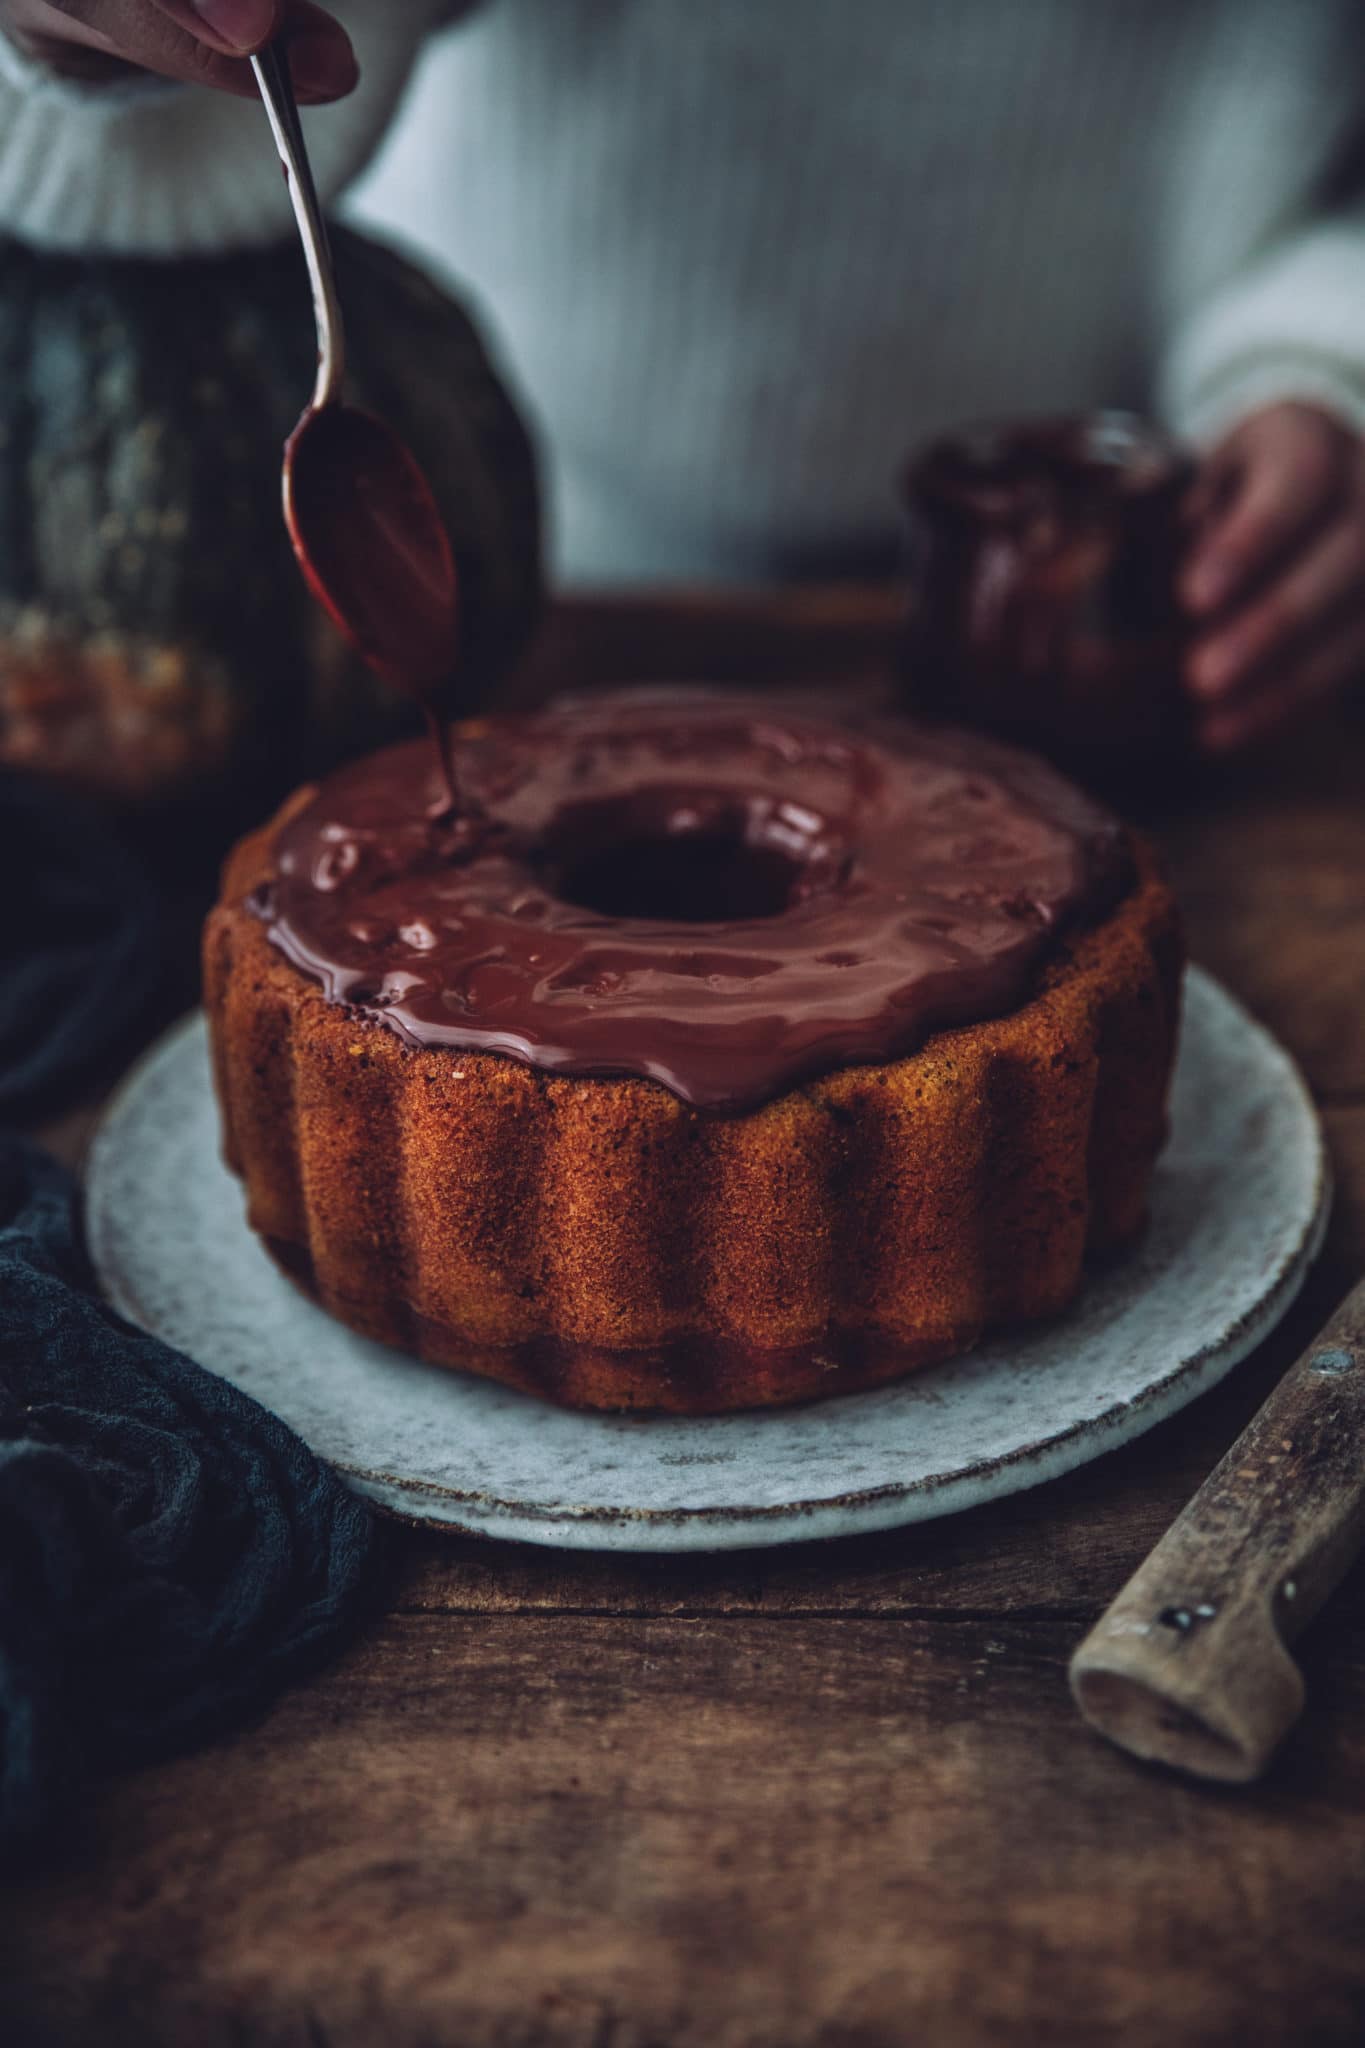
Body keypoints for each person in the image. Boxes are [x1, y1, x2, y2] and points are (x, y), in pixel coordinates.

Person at [3, 0, 1365, 753]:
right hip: (550, 589)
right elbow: (263, 71)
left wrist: (1327, 355)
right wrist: (100, 47)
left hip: (1149, 590)